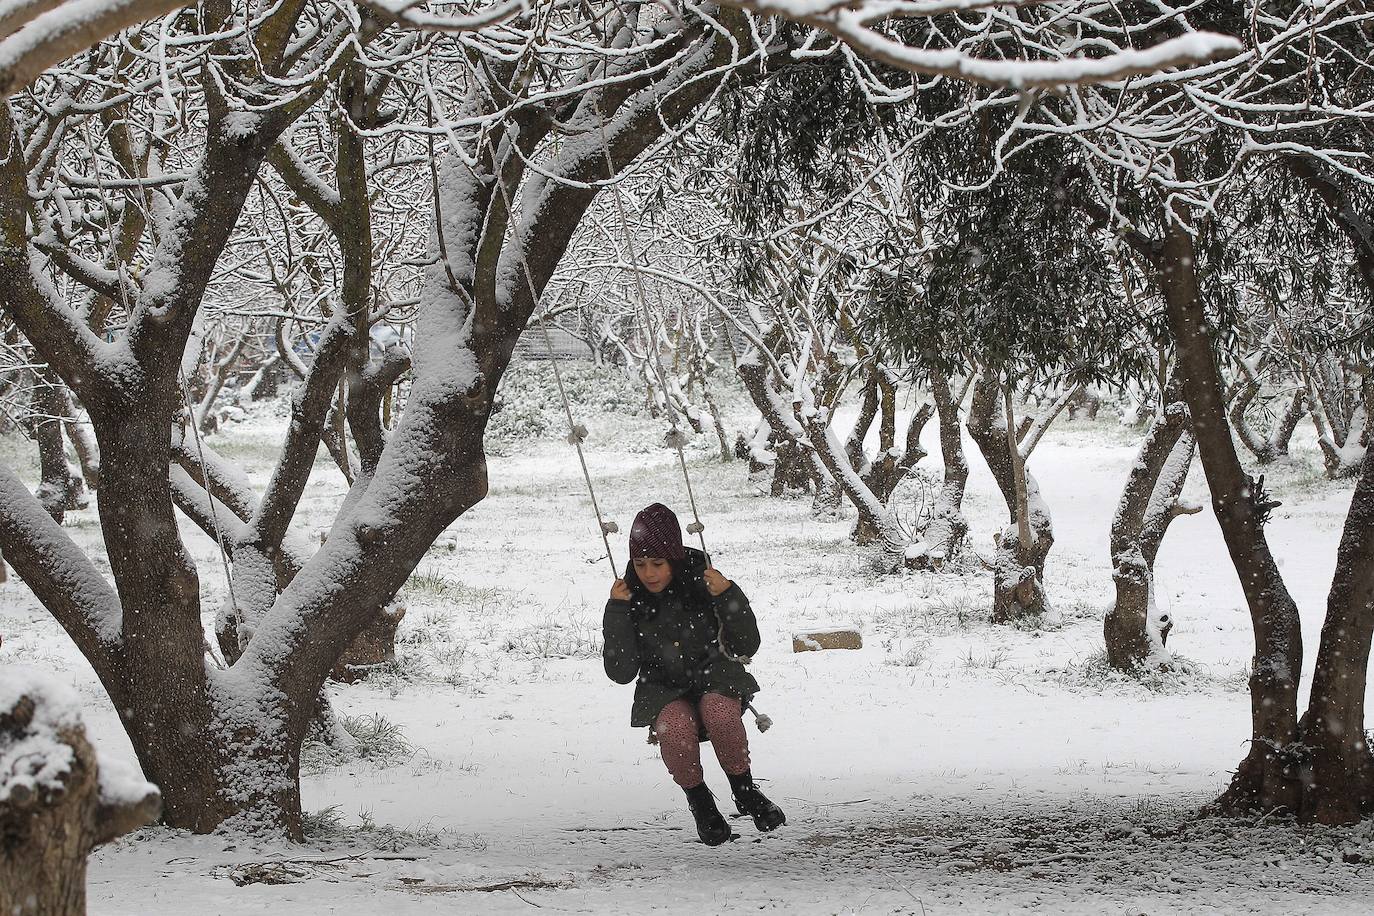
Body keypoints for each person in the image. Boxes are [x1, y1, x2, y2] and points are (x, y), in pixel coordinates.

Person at [602, 502, 786, 846]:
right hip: (662, 687)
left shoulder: (705, 582)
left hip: (714, 676)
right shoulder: (629, 596)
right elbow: (620, 671)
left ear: (673, 558)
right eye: (640, 564)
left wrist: (729, 594)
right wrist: (616, 612)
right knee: (674, 727)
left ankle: (745, 791)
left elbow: (747, 644)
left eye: (658, 564)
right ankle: (700, 803)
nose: (649, 573)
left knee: (719, 714)